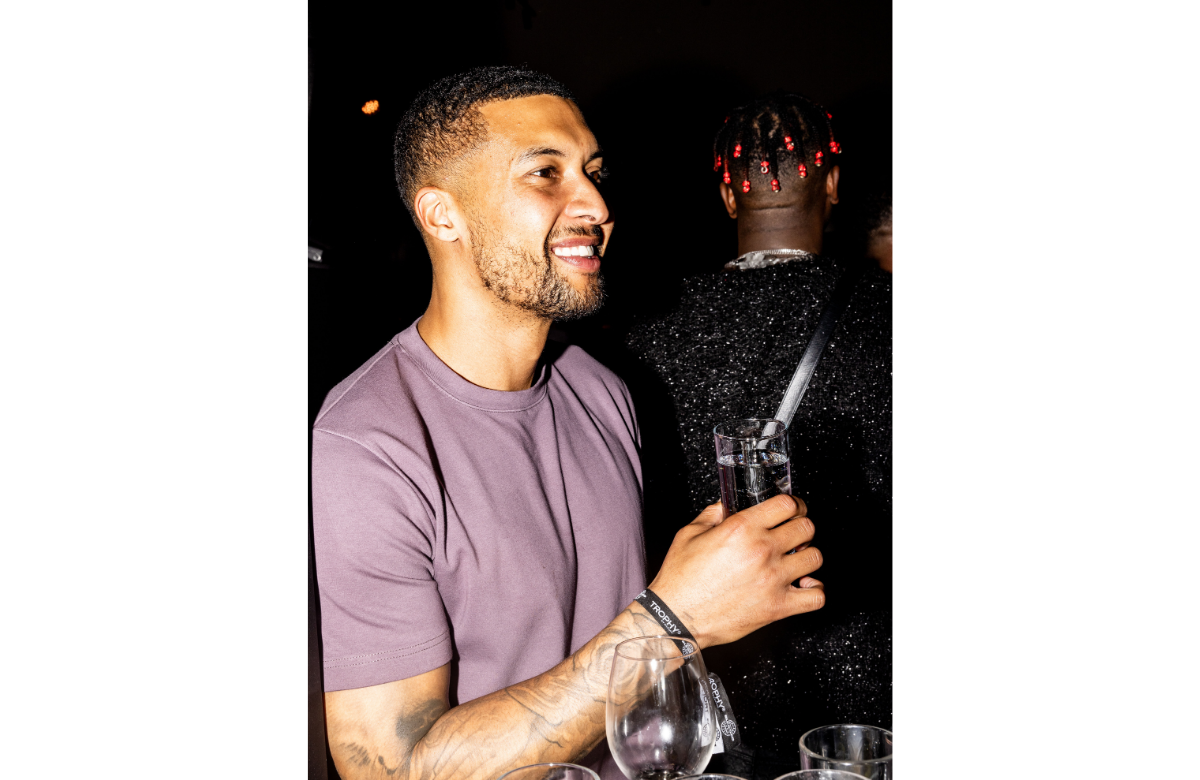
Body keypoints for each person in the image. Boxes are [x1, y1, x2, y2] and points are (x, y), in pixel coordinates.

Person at [310, 67, 827, 780]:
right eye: (546, 173)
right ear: (442, 215)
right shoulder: (367, 444)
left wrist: (719, 578)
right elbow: (393, 770)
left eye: (593, 172)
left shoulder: (601, 389)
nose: (597, 204)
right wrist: (673, 620)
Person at [623, 93, 892, 780]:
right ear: (833, 185)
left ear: (726, 196)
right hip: (868, 703)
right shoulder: (890, 314)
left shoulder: (644, 336)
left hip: (714, 691)